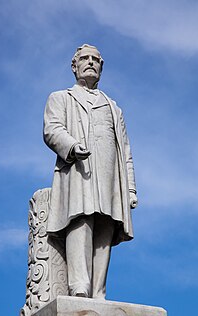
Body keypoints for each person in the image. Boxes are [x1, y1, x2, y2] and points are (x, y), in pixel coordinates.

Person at [43, 44, 138, 299]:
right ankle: (79, 285)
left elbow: (125, 151)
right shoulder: (61, 98)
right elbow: (52, 130)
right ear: (74, 66)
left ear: (101, 67)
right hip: (78, 171)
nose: (90, 62)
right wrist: (72, 146)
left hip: (109, 176)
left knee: (106, 225)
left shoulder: (113, 107)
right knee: (81, 219)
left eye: (96, 59)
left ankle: (98, 290)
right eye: (84, 58)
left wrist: (129, 187)